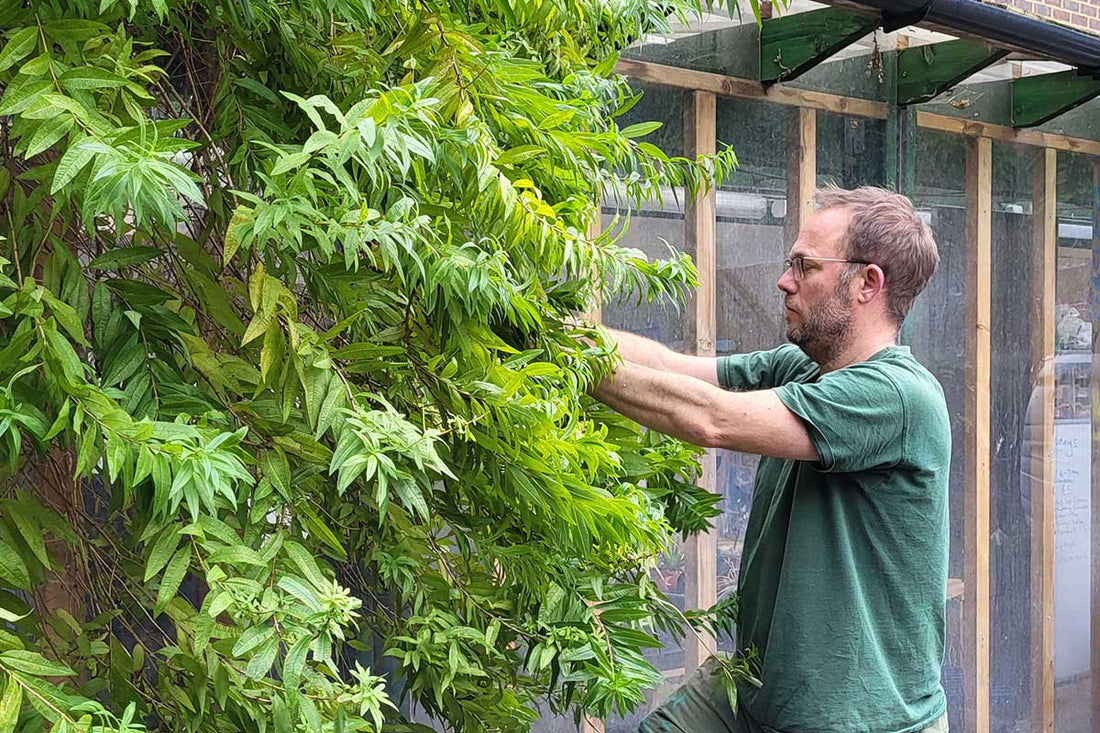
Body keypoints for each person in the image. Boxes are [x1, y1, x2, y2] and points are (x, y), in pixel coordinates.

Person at [590, 185, 951, 733]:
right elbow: (673, 368)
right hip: (760, 688)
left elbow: (709, 419)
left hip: (856, 716)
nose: (785, 281)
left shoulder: (897, 397)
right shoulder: (803, 367)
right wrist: (562, 336)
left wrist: (567, 362)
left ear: (867, 283)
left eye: (804, 266)